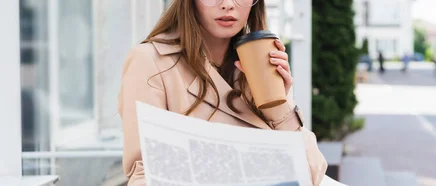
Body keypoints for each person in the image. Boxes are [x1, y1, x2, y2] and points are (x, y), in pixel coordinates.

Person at [117, 0, 327, 185]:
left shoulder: (259, 61)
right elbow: (143, 175)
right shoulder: (151, 61)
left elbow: (312, 173)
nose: (228, 4)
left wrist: (279, 104)